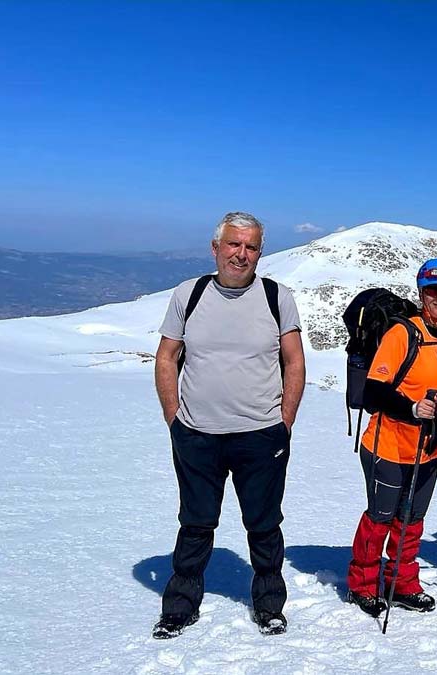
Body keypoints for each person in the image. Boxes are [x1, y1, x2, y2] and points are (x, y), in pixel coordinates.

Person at [152, 212, 306, 638]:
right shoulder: (191, 294)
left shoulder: (277, 297)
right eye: (234, 245)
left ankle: (269, 605)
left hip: (261, 434)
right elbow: (166, 357)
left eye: (251, 246)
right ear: (216, 247)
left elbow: (294, 361)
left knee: (263, 524)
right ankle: (179, 607)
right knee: (196, 523)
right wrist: (174, 418)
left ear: (260, 252)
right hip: (197, 433)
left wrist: (284, 421)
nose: (241, 254)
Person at [345, 258, 437, 617]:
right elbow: (374, 391)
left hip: (429, 449)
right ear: (421, 292)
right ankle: (364, 584)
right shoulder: (403, 333)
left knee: (412, 520)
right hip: (388, 445)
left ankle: (402, 583)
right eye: (433, 290)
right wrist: (412, 409)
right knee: (380, 518)